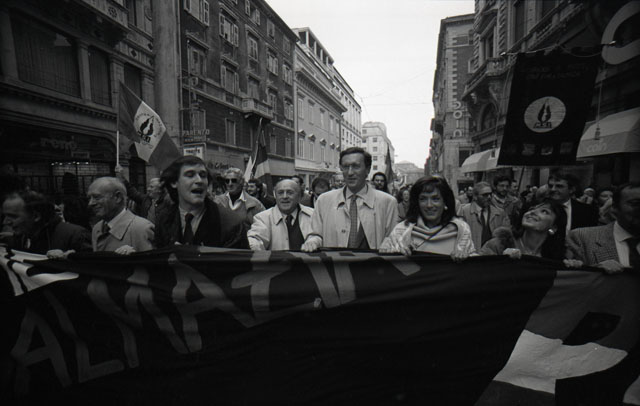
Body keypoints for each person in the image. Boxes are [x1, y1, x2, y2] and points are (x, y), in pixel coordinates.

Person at [301, 147, 399, 251]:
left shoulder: (388, 202)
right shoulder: (324, 200)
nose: (350, 172)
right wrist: (313, 241)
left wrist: (390, 243)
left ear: (367, 169)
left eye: (356, 166)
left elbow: (393, 238)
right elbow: (315, 233)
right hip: (335, 261)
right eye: (346, 167)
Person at [155, 156, 247, 248]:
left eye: (203, 175)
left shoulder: (230, 224)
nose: (199, 181)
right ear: (174, 182)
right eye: (190, 175)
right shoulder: (163, 219)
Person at [379, 177, 475, 260]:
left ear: (445, 202)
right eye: (423, 199)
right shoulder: (401, 230)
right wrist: (389, 251)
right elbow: (391, 267)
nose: (429, 205)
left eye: (435, 199)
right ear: (417, 203)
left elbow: (472, 267)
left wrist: (466, 258)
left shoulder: (461, 229)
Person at [566, 182, 640, 273]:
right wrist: (595, 270)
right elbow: (569, 276)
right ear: (615, 207)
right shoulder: (582, 237)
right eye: (636, 203)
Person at [1, 190, 91, 257]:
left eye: (13, 216)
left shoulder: (76, 236)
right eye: (5, 216)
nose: (5, 222)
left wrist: (69, 259)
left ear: (36, 216)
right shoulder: (20, 238)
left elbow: (92, 269)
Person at [479, 199, 570, 261]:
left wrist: (572, 267)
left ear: (554, 227)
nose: (532, 212)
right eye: (531, 209)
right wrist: (501, 260)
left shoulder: (556, 257)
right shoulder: (498, 245)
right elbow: (478, 271)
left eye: (544, 211)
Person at [87, 177, 154, 254]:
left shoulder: (142, 229)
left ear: (117, 197)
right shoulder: (97, 228)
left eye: (97, 197)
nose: (91, 203)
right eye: (89, 198)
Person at [247, 179, 314, 251]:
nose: (285, 196)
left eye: (290, 193)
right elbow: (256, 238)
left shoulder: (313, 215)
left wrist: (314, 241)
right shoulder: (262, 218)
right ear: (275, 196)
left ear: (299, 196)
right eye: (280, 193)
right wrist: (254, 244)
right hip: (276, 259)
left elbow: (318, 235)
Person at [459, 181, 511, 251]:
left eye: (490, 194)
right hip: (471, 254)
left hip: (493, 254)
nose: (489, 197)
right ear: (475, 197)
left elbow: (506, 237)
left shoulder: (500, 213)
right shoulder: (464, 212)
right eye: (485, 195)